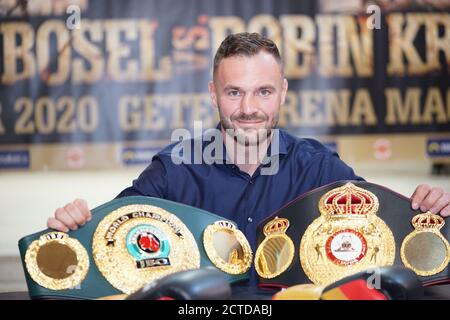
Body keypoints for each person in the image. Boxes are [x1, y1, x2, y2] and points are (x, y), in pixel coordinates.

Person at [47, 32, 450, 252]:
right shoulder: (173, 170)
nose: (248, 108)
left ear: (284, 92)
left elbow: (383, 227)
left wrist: (427, 210)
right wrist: (76, 224)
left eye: (263, 92)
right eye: (234, 92)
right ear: (212, 93)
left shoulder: (320, 167)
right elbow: (112, 233)